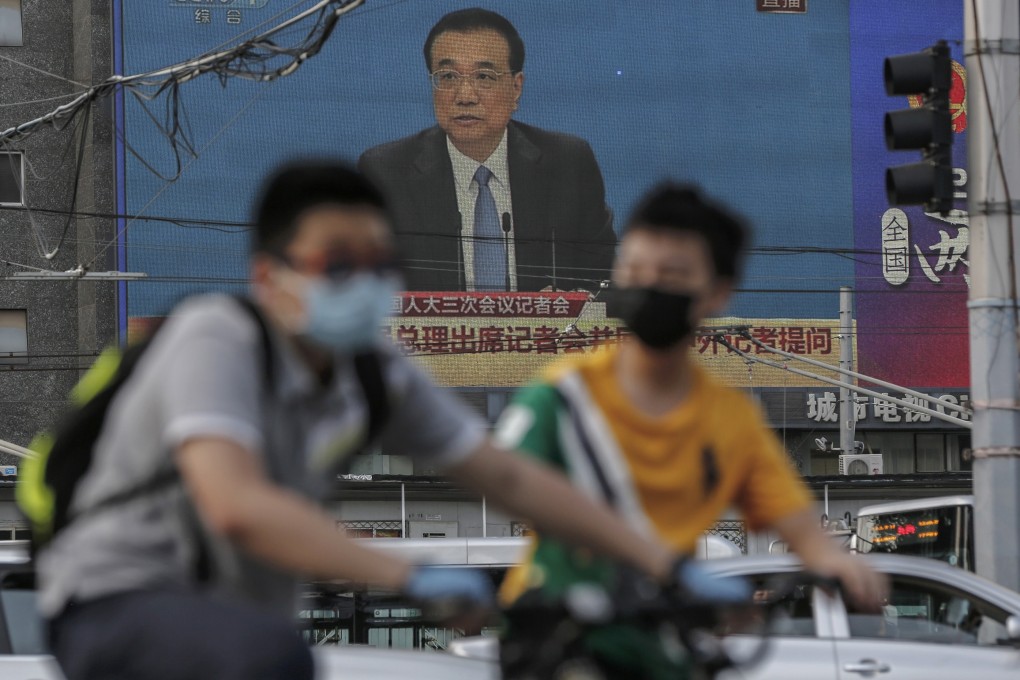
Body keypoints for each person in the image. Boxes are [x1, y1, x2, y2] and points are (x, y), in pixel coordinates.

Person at [38, 162, 704, 680]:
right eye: (338, 263)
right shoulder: (216, 334)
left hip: (229, 623)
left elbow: (507, 476)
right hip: (114, 601)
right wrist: (406, 577)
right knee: (274, 659)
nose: (365, 280)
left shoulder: (373, 372)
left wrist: (662, 564)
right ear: (269, 277)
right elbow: (236, 505)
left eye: (381, 263)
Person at [495, 183, 887, 679]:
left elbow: (795, 518)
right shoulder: (564, 394)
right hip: (557, 635)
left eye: (672, 275)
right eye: (635, 271)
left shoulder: (731, 419)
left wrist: (838, 562)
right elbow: (508, 481)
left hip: (658, 637)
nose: (649, 285)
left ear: (718, 293)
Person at [358, 7, 616, 292]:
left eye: (484, 77)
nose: (465, 96)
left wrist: (571, 303)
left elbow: (604, 276)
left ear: (516, 88)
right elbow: (368, 284)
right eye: (448, 77)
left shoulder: (568, 161)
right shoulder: (387, 171)